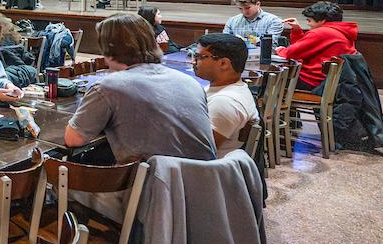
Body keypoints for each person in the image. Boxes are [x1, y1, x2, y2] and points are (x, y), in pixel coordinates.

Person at [64, 14, 216, 163]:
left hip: (162, 182)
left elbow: (73, 139)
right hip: (212, 180)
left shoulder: (107, 87)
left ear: (108, 50)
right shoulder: (189, 82)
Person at [192, 33, 260, 157]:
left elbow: (200, 151)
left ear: (224, 63)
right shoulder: (229, 88)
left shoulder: (225, 102)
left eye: (200, 56)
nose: (193, 61)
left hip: (205, 172)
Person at [277, 1, 358, 92]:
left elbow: (291, 53)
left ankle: (268, 105)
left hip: (314, 82)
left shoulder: (322, 32)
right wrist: (296, 30)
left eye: (309, 20)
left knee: (270, 79)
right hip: (330, 83)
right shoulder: (341, 31)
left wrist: (279, 50)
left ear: (322, 20)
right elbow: (305, 49)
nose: (308, 24)